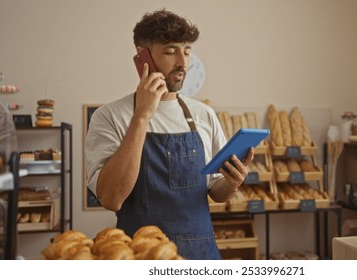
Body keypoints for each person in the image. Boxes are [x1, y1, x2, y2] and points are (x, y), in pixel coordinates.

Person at [85, 9, 254, 260]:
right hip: (140, 258)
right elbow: (111, 198)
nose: (183, 62)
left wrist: (230, 183)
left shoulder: (203, 115)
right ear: (143, 57)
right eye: (170, 51)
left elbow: (215, 193)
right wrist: (141, 117)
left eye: (186, 51)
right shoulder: (110, 116)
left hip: (200, 257)